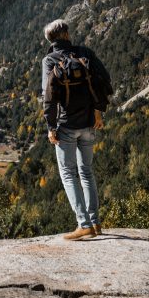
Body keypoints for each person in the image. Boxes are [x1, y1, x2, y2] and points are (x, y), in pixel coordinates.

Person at [40, 19, 111, 240]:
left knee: (68, 174)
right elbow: (105, 81)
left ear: (50, 40)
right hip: (89, 123)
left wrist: (51, 126)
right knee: (87, 172)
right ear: (67, 34)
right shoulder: (84, 53)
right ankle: (96, 223)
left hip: (66, 125)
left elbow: (48, 96)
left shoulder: (50, 60)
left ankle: (84, 224)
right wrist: (98, 111)